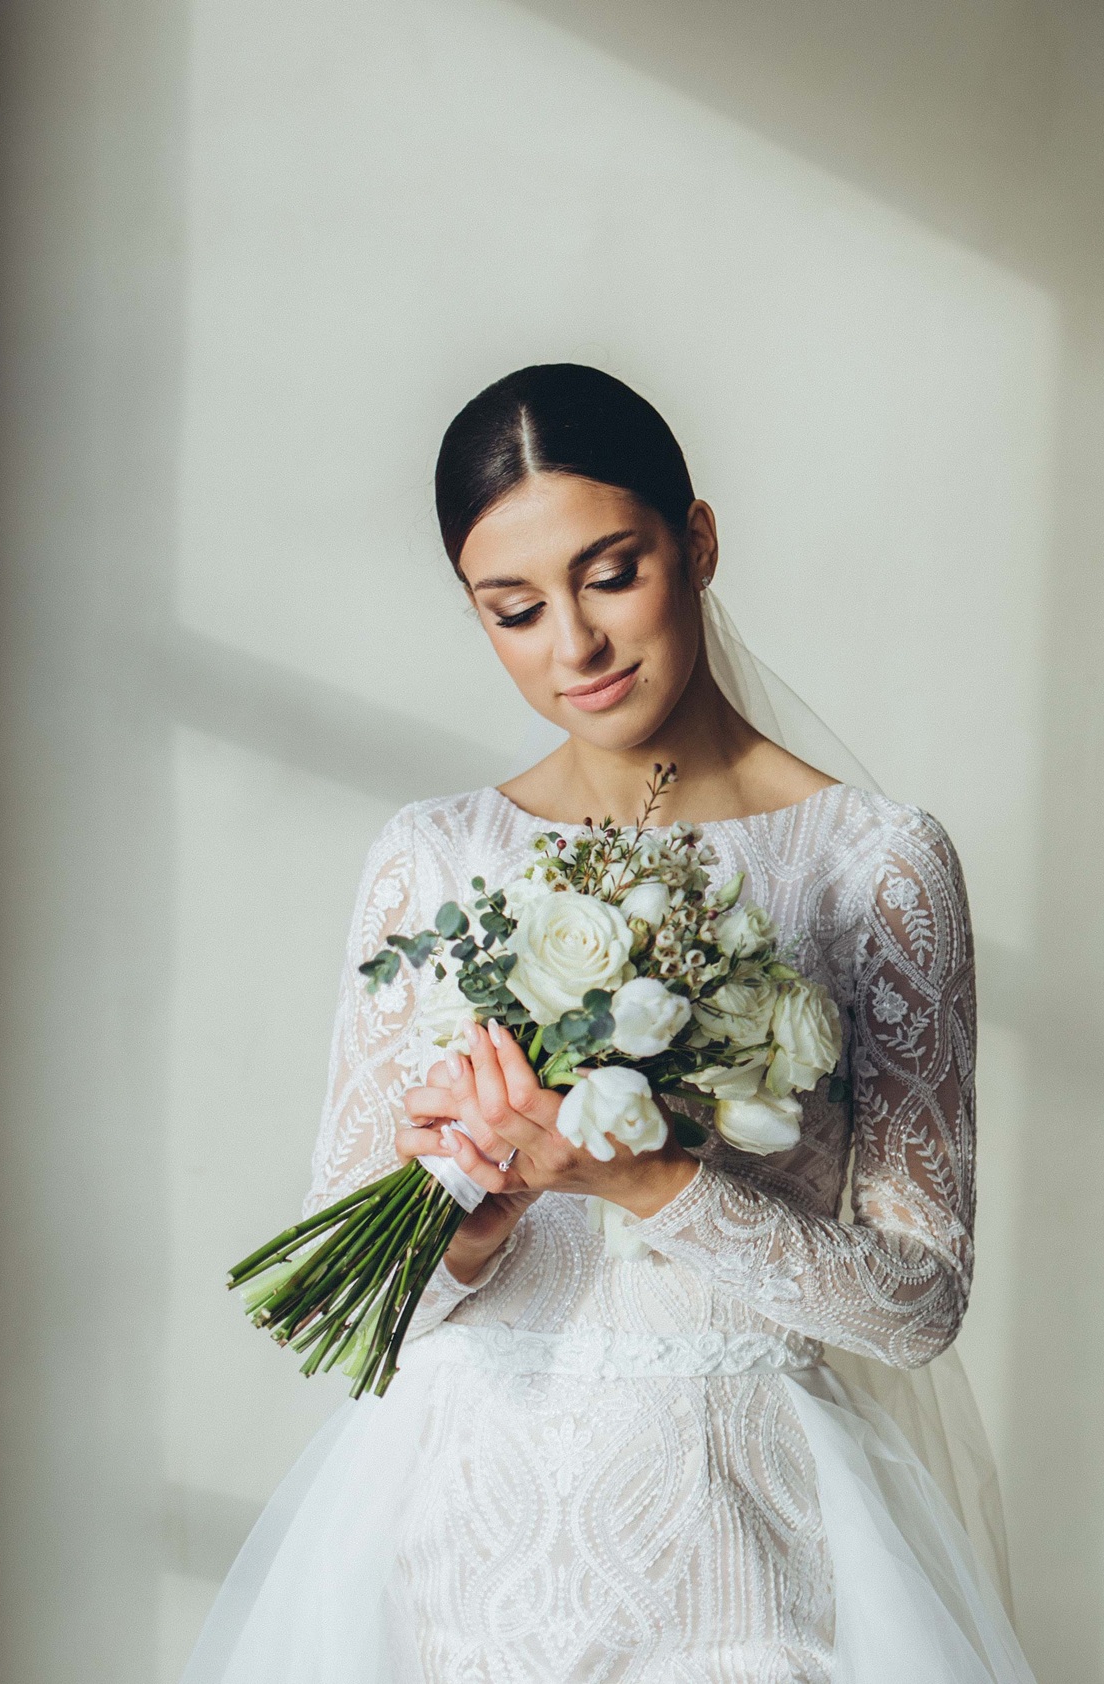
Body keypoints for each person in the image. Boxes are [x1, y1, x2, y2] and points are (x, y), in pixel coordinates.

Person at [183, 364, 1031, 1683]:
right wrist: (468, 1226)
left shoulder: (875, 865)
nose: (571, 646)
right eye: (512, 610)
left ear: (694, 542)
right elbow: (349, 1317)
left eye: (611, 573)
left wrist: (631, 1174)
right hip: (455, 1554)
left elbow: (917, 1303)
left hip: (741, 1553)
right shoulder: (436, 860)